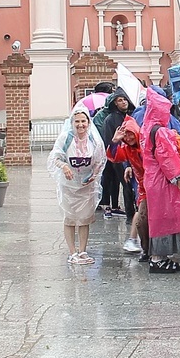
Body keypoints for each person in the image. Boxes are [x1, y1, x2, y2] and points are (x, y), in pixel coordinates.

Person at [140, 87, 180, 273]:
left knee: (158, 218)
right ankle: (158, 259)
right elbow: (167, 157)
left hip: (153, 179)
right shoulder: (160, 131)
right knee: (165, 219)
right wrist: (177, 178)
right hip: (163, 180)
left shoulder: (146, 129)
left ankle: (158, 257)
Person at [47, 106, 106, 264]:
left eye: (83, 121)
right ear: (72, 122)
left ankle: (83, 251)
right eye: (77, 121)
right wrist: (65, 167)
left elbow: (100, 161)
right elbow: (55, 158)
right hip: (69, 185)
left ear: (88, 122)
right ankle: (72, 252)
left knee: (85, 219)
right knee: (70, 219)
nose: (80, 125)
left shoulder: (94, 139)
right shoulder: (66, 138)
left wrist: (94, 175)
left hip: (86, 186)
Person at [107, 116, 146, 257]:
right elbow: (114, 156)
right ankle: (135, 240)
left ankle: (139, 241)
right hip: (142, 183)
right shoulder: (128, 147)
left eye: (131, 134)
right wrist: (115, 142)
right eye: (126, 135)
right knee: (142, 209)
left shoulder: (145, 142)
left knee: (145, 210)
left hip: (154, 182)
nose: (129, 138)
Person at [101, 87, 136, 220]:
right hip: (118, 157)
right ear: (115, 103)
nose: (123, 102)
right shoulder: (110, 119)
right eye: (120, 100)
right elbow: (109, 140)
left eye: (124, 99)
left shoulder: (131, 116)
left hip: (132, 155)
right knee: (126, 185)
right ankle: (130, 215)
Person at [90, 81, 116, 212]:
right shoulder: (99, 115)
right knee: (104, 176)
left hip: (112, 149)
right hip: (103, 149)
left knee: (113, 177)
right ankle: (103, 201)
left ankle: (114, 203)